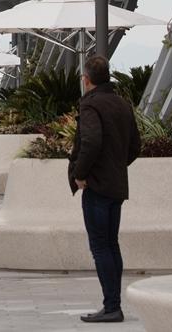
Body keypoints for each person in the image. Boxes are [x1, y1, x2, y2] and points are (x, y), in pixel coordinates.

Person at [69, 55, 142, 324]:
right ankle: (113, 304)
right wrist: (116, 165)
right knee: (111, 244)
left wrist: (80, 174)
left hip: (97, 186)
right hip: (116, 185)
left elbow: (91, 141)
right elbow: (135, 146)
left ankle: (112, 306)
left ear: (86, 79)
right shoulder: (122, 103)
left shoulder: (90, 104)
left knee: (100, 246)